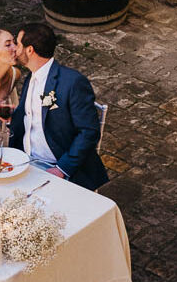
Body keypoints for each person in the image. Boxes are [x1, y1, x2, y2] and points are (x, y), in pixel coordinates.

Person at [10, 22, 107, 191]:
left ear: (30, 50)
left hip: (56, 167)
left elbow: (89, 132)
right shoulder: (30, 77)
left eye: (17, 44)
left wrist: (61, 169)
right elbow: (33, 116)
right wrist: (12, 115)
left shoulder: (72, 83)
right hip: (25, 160)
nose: (14, 49)